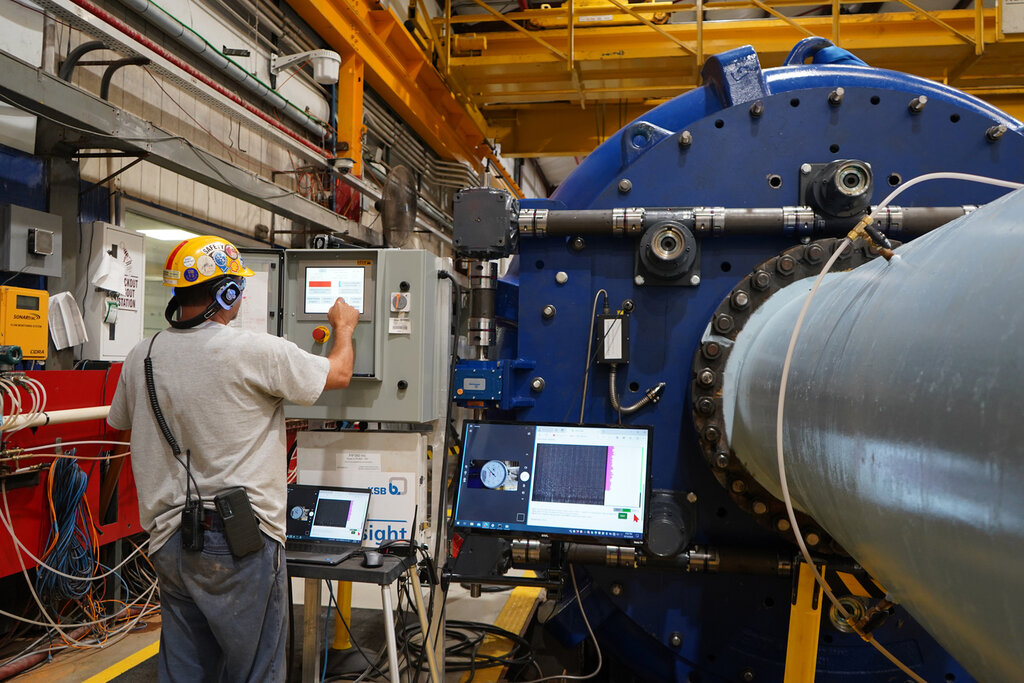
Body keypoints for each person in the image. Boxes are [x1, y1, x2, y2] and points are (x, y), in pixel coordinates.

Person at [107, 235, 359, 682]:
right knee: (256, 669)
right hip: (241, 540)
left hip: (170, 539)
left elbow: (121, 422)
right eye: (238, 288)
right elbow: (338, 374)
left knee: (186, 669)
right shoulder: (257, 350)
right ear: (226, 293)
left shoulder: (141, 355)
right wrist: (344, 327)